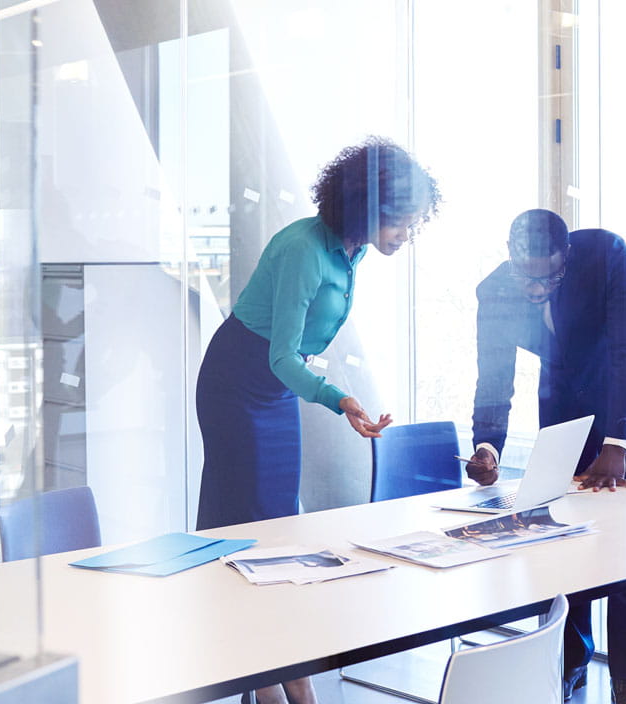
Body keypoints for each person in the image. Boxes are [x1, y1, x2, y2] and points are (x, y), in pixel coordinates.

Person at [195, 137, 440, 704]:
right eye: (402, 220)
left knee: (278, 531)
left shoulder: (350, 249)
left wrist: (331, 394)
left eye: (413, 222)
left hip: (276, 388)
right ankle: (288, 685)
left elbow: (294, 357)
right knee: (248, 534)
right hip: (239, 381)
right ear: (368, 205)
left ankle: (267, 685)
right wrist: (340, 400)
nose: (407, 233)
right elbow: (281, 355)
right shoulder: (306, 248)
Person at [465, 209, 626, 704]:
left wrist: (618, 442)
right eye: (524, 276)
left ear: (566, 256)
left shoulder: (606, 256)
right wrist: (487, 446)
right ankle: (571, 664)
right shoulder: (494, 291)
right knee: (558, 536)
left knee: (621, 544)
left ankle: (625, 676)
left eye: (547, 277)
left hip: (625, 401)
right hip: (561, 408)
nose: (535, 289)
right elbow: (493, 377)